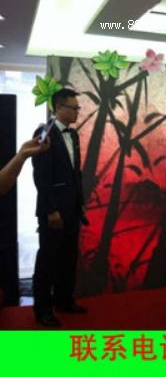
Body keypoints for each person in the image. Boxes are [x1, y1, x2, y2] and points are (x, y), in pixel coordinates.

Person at [32, 88, 88, 327]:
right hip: (53, 210)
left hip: (72, 208)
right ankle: (43, 309)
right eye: (73, 108)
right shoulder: (44, 133)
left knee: (68, 257)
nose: (77, 112)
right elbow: (41, 176)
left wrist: (80, 203)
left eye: (78, 108)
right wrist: (51, 210)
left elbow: (75, 174)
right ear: (59, 107)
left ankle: (64, 300)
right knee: (48, 260)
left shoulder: (73, 135)